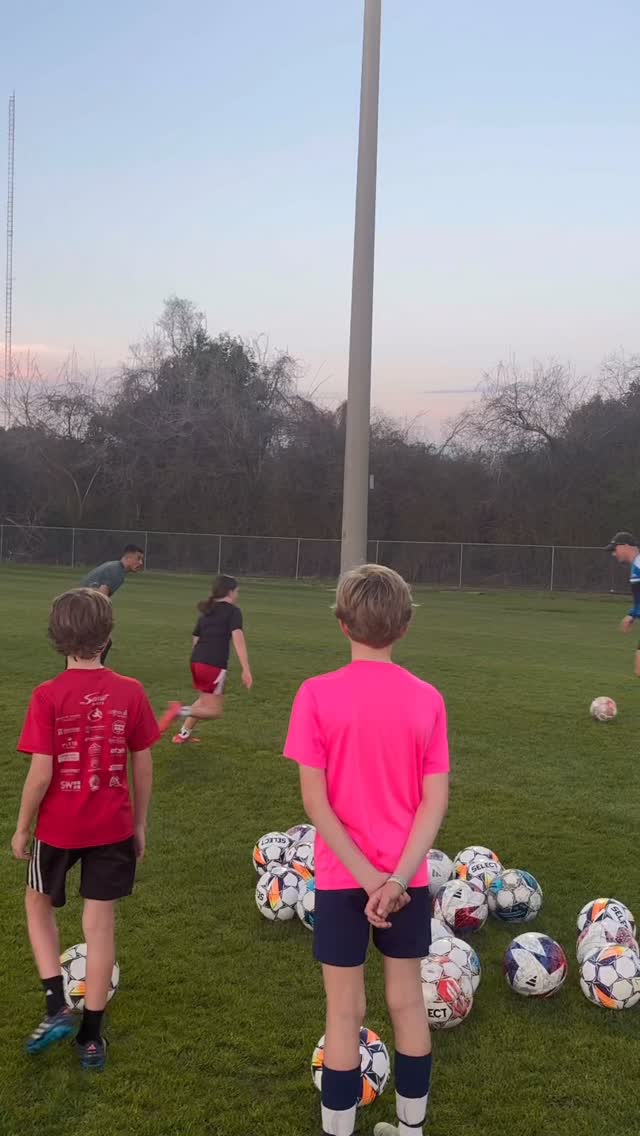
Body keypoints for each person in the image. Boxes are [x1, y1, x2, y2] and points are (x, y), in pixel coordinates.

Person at [283, 564, 450, 1136]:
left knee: (344, 1011)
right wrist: (397, 881)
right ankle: (410, 1129)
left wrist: (368, 878)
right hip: (408, 882)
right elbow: (434, 804)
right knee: (406, 1002)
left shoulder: (315, 695)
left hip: (339, 879)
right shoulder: (427, 699)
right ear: (404, 627)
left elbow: (316, 804)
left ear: (341, 623)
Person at [11, 588, 159, 1070]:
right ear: (109, 634)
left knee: (37, 904)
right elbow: (143, 765)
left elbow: (41, 773)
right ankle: (90, 1040)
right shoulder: (131, 692)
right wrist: (138, 824)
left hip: (58, 830)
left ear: (56, 638)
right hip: (112, 830)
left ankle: (57, 1006)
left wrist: (21, 827)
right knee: (99, 928)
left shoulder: (47, 696)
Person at [158, 574, 253, 745]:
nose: (238, 595)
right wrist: (246, 669)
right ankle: (179, 711)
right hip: (213, 665)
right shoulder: (233, 611)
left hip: (197, 661)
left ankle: (183, 734)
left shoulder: (207, 612)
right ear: (230, 592)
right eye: (237, 591)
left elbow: (196, 638)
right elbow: (238, 639)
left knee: (204, 700)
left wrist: (201, 659)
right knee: (214, 711)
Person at [78, 545, 145, 665]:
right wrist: (105, 621)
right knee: (102, 642)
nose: (140, 562)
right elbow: (101, 597)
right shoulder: (117, 572)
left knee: (85, 643)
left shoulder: (114, 567)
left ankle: (80, 669)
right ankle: (94, 670)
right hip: (85, 607)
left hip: (81, 605)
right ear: (128, 557)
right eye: (138, 558)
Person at [606, 531, 640, 677]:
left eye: (615, 549)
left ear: (626, 545)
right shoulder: (636, 566)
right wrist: (632, 615)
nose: (614, 554)